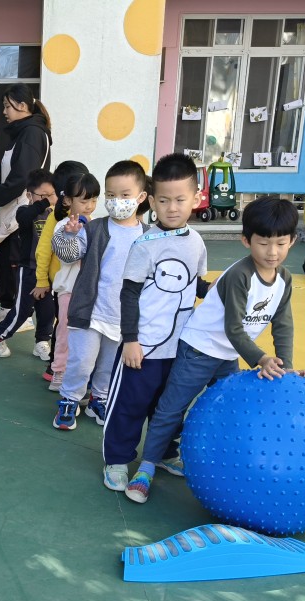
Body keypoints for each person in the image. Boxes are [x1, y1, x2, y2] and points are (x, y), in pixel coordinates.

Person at [122, 196, 305, 503]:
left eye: (280, 243)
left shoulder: (284, 279)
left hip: (228, 354)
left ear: (292, 241)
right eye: (264, 243)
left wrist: (285, 366)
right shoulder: (240, 275)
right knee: (172, 408)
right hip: (199, 349)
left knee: (230, 409)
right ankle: (147, 466)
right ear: (246, 240)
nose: (272, 252)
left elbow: (283, 324)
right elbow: (233, 328)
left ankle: (221, 461)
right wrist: (261, 358)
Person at [101, 153, 210, 491]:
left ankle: (163, 453)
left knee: (170, 407)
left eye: (180, 199)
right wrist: (131, 340)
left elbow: (194, 282)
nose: (172, 208)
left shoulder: (196, 242)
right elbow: (129, 294)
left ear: (196, 198)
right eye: (163, 200)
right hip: (143, 348)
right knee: (130, 406)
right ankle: (117, 459)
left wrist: (213, 289)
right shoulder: (144, 245)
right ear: (151, 201)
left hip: (180, 348)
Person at [48, 160, 150, 428]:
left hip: (122, 317)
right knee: (82, 361)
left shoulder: (148, 236)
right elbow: (68, 255)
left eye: (125, 195)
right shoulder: (94, 228)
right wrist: (68, 236)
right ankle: (70, 399)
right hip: (90, 312)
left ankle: (99, 398)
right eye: (111, 195)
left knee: (108, 364)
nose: (117, 201)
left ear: (141, 197)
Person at [0, 163, 86, 364]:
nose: (49, 199)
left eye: (52, 194)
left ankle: (42, 342)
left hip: (47, 272)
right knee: (23, 310)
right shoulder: (24, 211)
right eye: (43, 195)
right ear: (30, 195)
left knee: (48, 312)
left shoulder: (56, 215)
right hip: (29, 269)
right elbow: (25, 218)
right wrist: (44, 202)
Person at [0, 84, 52, 324]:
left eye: (6, 106)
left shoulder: (32, 133)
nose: (4, 111)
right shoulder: (21, 133)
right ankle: (8, 307)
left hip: (23, 209)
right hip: (10, 206)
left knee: (14, 262)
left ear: (22, 106)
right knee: (3, 259)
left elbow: (21, 178)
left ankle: (22, 315)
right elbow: (3, 173)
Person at [40, 172, 101, 430]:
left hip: (90, 292)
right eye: (84, 200)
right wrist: (71, 234)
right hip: (68, 290)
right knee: (66, 333)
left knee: (88, 338)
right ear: (67, 201)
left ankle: (86, 383)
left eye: (94, 200)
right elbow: (66, 256)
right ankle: (59, 371)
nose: (89, 206)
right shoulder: (62, 225)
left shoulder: (96, 225)